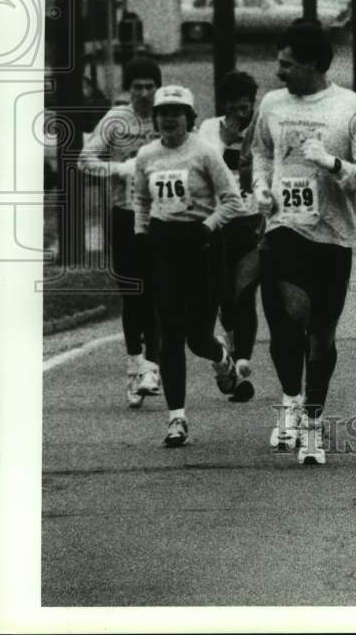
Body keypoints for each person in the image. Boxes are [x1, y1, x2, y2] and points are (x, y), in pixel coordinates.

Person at [249, 20, 356, 465]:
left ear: (311, 64)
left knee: (321, 337)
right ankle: (289, 401)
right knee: (287, 319)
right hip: (284, 227)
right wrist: (261, 187)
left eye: (286, 64)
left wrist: (332, 163)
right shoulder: (271, 104)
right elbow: (261, 151)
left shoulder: (353, 107)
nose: (278, 72)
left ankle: (312, 421)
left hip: (333, 235)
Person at [133, 85, 246, 447]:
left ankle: (221, 358)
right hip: (164, 246)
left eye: (176, 112)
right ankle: (176, 419)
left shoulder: (204, 152)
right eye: (163, 112)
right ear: (155, 118)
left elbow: (233, 202)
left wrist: (207, 227)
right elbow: (140, 198)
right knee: (169, 335)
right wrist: (141, 233)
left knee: (198, 338)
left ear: (189, 118)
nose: (169, 119)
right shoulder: (147, 155)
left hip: (201, 246)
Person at [80, 56, 163, 409]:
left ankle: (152, 369)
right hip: (125, 215)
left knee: (158, 292)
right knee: (133, 294)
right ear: (129, 90)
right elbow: (86, 159)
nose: (144, 93)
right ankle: (134, 366)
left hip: (162, 216)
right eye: (138, 87)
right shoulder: (116, 120)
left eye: (150, 86)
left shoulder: (169, 116)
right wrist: (120, 169)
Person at [198, 70, 263, 403]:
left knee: (245, 291)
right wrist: (227, 138)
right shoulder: (210, 130)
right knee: (225, 297)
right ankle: (233, 349)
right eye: (237, 107)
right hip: (221, 222)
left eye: (248, 106)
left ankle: (242, 359)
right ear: (225, 105)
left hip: (252, 221)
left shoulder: (261, 130)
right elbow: (208, 169)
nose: (243, 113)